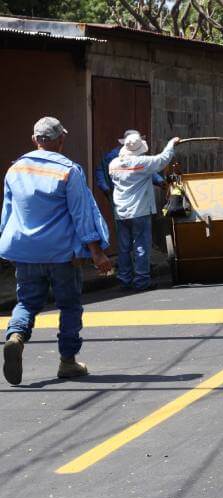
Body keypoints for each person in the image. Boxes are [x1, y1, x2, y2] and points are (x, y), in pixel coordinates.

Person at [1, 117, 112, 385]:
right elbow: (82, 214)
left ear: (34, 140)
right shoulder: (68, 171)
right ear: (61, 140)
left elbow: (7, 213)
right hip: (62, 254)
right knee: (70, 306)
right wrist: (96, 252)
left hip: (25, 251)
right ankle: (68, 362)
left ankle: (16, 336)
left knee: (27, 302)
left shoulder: (14, 170)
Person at [109, 133, 178, 290]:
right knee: (141, 246)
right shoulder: (142, 163)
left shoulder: (113, 164)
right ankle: (141, 281)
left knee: (124, 247)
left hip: (120, 211)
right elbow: (162, 159)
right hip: (139, 211)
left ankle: (124, 280)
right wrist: (171, 143)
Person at [94, 130, 165, 197]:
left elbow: (146, 170)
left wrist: (159, 181)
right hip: (121, 192)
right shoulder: (113, 156)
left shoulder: (138, 155)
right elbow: (101, 171)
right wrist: (105, 187)